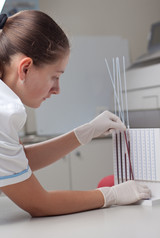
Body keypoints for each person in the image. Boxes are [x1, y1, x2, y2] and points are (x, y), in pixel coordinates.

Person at [0, 10, 150, 217]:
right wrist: (109, 195)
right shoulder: (4, 112)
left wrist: (84, 132)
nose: (57, 89)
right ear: (25, 68)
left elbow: (17, 159)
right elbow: (39, 203)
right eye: (55, 76)